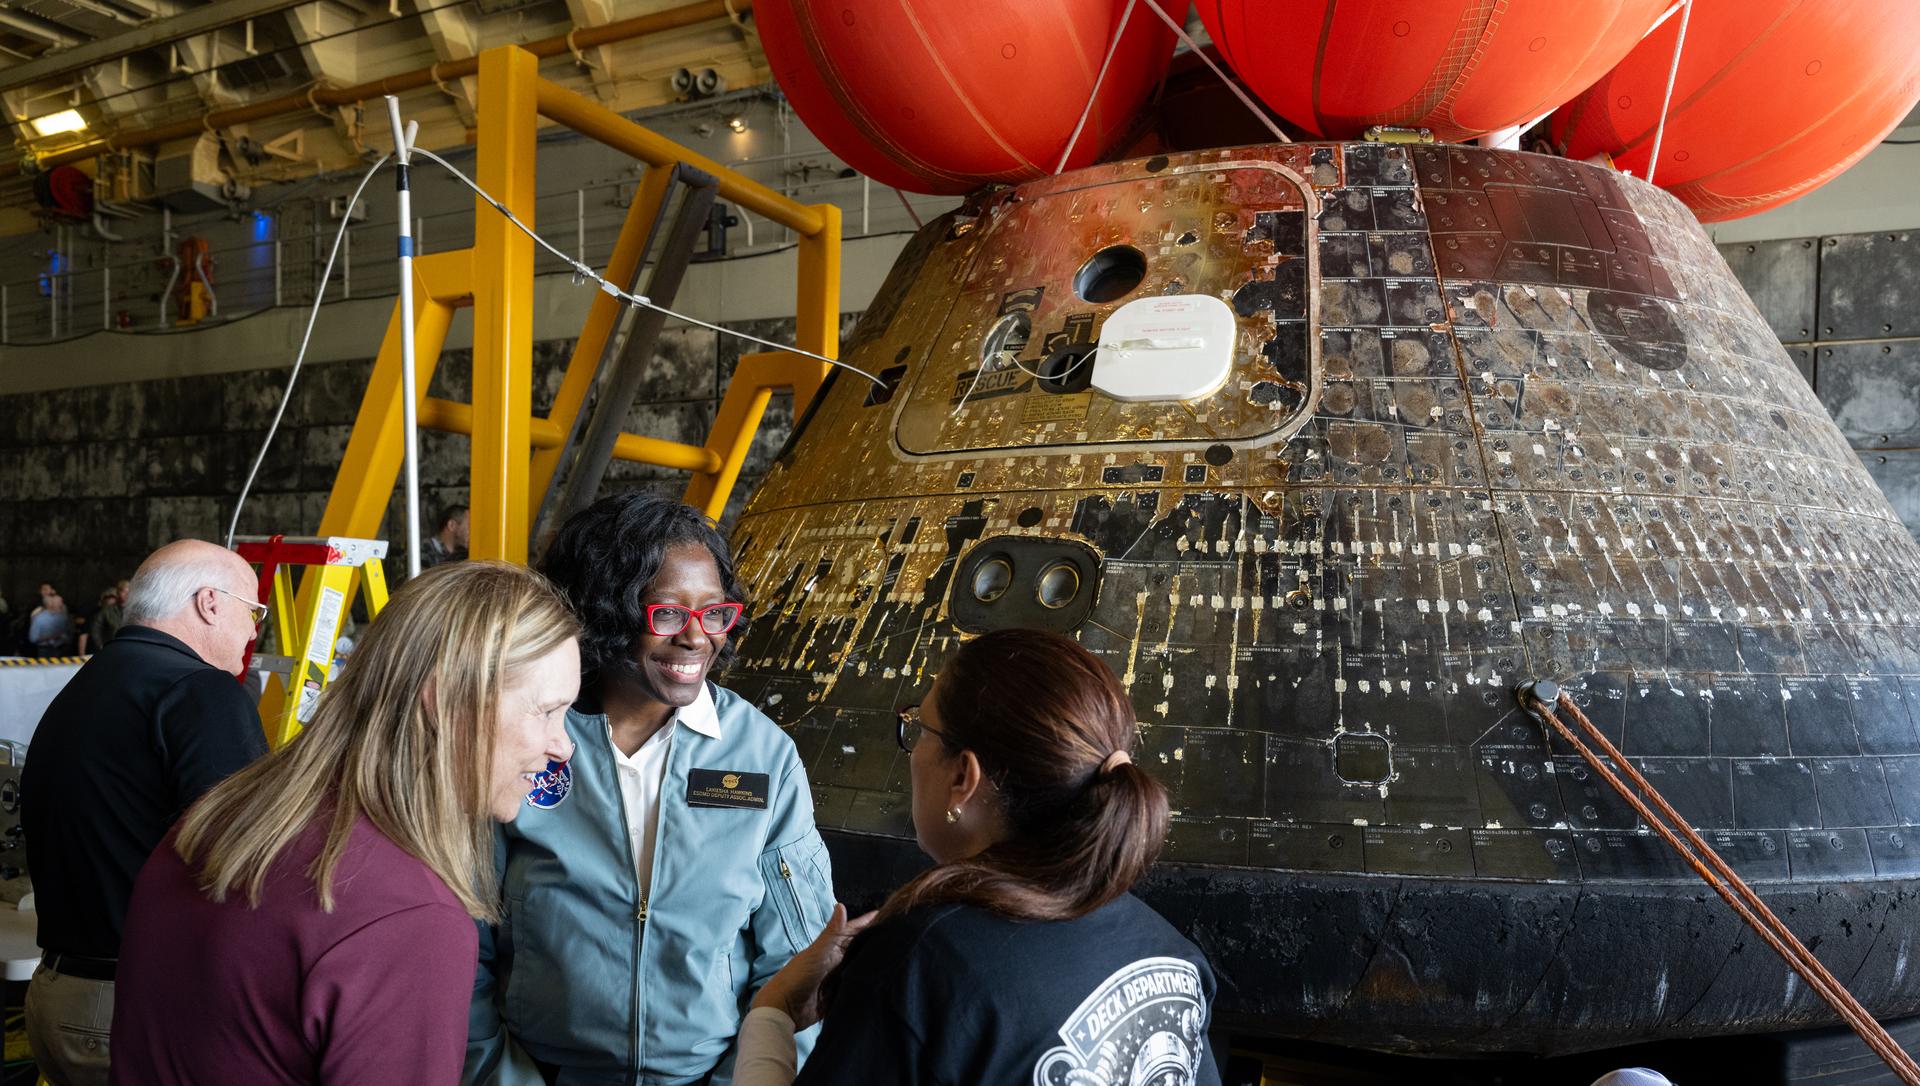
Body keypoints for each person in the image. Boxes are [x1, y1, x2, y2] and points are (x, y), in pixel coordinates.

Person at [110, 561, 581, 1084]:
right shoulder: (408, 917)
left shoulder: (222, 817)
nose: (563, 745)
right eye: (546, 711)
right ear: (448, 702)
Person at [735, 628, 1223, 1086]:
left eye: (919, 728)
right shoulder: (1173, 956)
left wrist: (773, 1010)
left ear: (962, 778)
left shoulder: (917, 965)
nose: (912, 748)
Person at [465, 494, 834, 1086]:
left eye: (715, 613)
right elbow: (464, 952)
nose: (696, 639)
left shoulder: (763, 758)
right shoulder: (528, 741)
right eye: (667, 613)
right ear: (606, 611)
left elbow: (797, 967)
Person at [21, 541, 271, 1086]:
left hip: (62, 996)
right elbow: (252, 860)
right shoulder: (199, 690)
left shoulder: (91, 683)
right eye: (253, 612)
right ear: (209, 603)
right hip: (133, 1004)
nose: (254, 632)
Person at [27, 586, 72, 657]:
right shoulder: (39, 616)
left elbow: (68, 633)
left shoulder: (63, 617)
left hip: (61, 649)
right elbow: (33, 637)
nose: (61, 605)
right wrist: (51, 637)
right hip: (44, 650)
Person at [425, 503, 471, 569]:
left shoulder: (461, 556)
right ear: (452, 525)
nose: (471, 533)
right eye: (469, 526)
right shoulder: (425, 553)